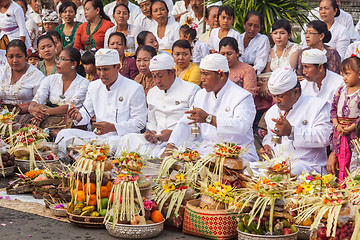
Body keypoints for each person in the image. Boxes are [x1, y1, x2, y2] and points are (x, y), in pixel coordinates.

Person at [163, 53, 258, 163]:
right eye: (201, 74)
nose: (202, 79)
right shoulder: (201, 95)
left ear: (221, 75)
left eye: (206, 74)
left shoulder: (242, 96)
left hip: (238, 154)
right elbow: (186, 122)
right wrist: (170, 146)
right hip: (208, 151)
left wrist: (209, 119)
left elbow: (242, 126)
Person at [55, 48, 147, 152]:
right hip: (98, 137)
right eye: (99, 69)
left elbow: (139, 123)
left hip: (121, 138)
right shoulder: (94, 86)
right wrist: (78, 116)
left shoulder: (134, 88)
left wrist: (113, 127)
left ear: (117, 67)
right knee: (64, 135)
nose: (101, 74)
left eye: (105, 69)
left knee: (111, 143)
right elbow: (86, 113)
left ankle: (88, 155)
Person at [119, 53, 200, 157]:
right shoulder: (152, 93)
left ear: (172, 72)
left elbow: (196, 125)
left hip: (182, 140)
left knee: (175, 154)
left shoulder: (191, 90)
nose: (157, 81)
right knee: (128, 139)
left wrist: (172, 134)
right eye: (154, 76)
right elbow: (152, 121)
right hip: (157, 140)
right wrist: (151, 132)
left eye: (160, 76)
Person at [260, 68, 332, 175]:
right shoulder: (272, 112)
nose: (276, 101)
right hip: (279, 164)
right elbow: (272, 138)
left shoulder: (317, 106)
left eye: (280, 96)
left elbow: (325, 137)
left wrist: (292, 132)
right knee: (249, 169)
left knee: (287, 172)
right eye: (274, 96)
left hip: (309, 165)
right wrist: (268, 147)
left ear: (296, 91)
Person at [29, 47, 89, 136]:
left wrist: (46, 112)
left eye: (63, 59)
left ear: (73, 64)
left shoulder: (84, 83)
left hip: (70, 122)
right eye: (59, 58)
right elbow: (37, 99)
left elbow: (70, 107)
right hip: (47, 118)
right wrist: (33, 108)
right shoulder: (50, 79)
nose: (58, 62)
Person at [327, 55, 360, 181]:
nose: (344, 77)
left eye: (347, 73)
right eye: (342, 74)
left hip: (355, 134)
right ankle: (342, 187)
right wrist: (336, 125)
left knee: (354, 163)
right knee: (341, 160)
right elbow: (333, 108)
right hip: (340, 132)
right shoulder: (341, 90)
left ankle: (354, 190)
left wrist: (352, 127)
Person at [0, 40, 44, 112]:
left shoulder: (36, 76)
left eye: (19, 56)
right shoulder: (2, 71)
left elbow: (41, 101)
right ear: (6, 56)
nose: (14, 60)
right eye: (10, 57)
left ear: (26, 56)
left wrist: (22, 108)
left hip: (26, 114)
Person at [238, 11, 270, 75]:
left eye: (256, 26)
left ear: (260, 27)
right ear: (244, 24)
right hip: (237, 72)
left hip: (253, 74)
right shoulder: (238, 38)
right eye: (249, 25)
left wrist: (248, 73)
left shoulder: (262, 39)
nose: (252, 29)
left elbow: (260, 63)